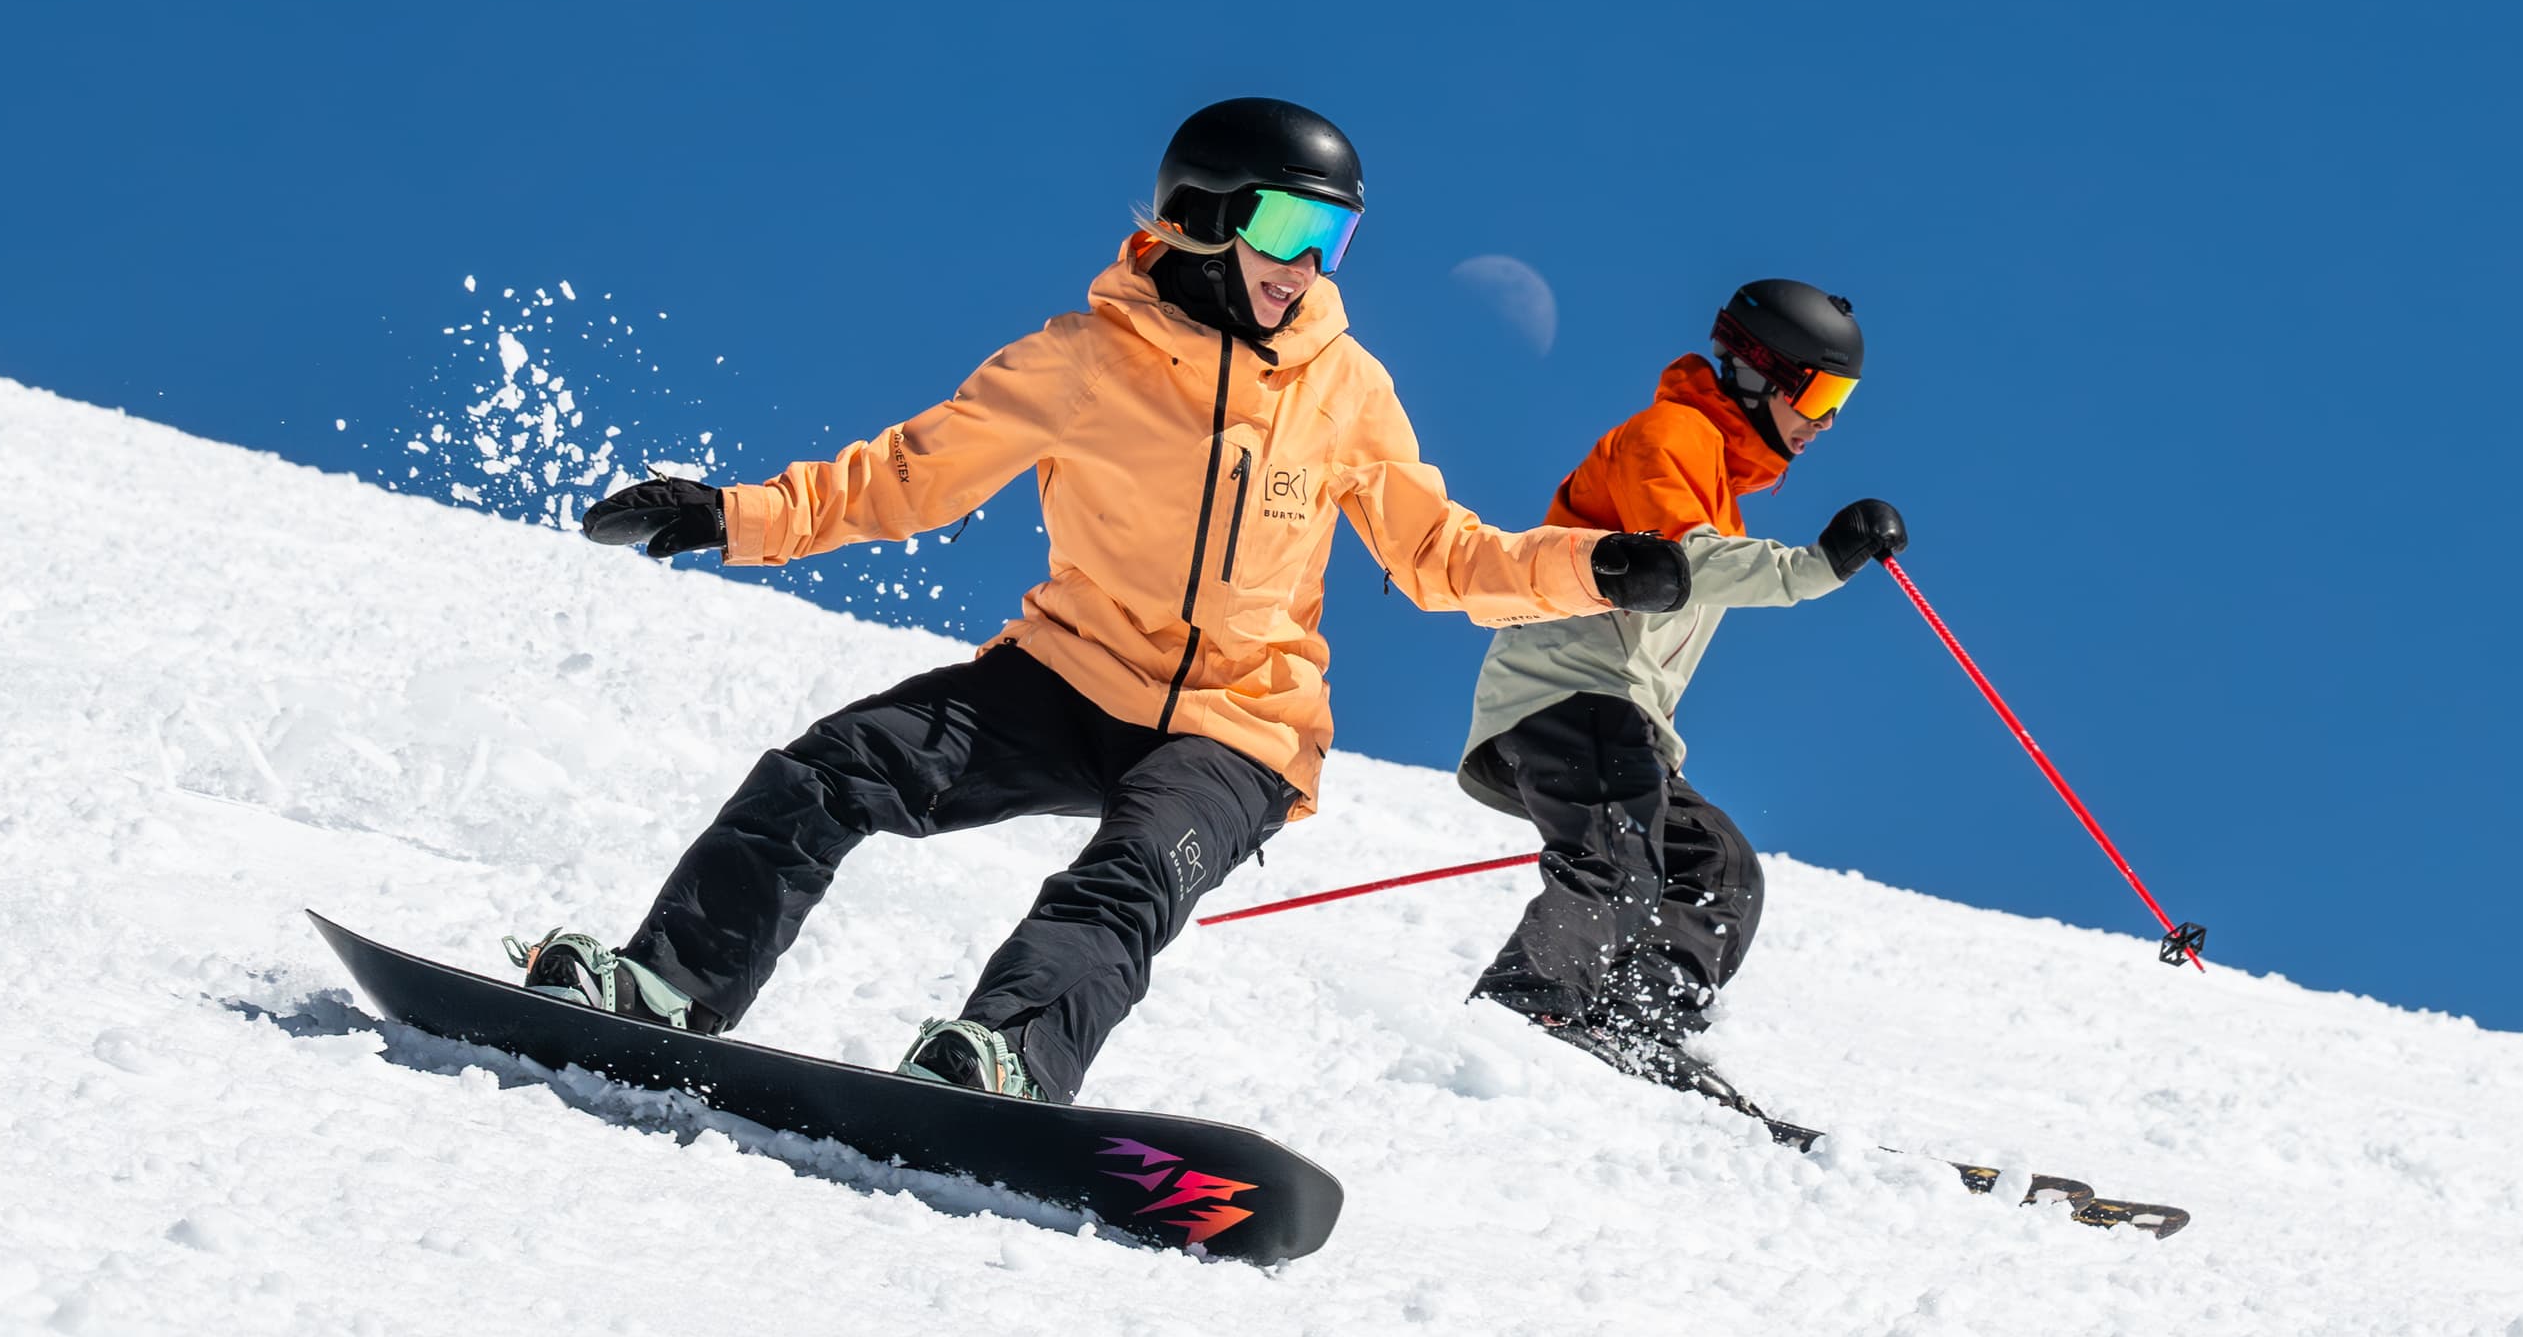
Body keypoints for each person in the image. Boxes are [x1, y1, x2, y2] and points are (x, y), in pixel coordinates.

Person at [520, 98, 1695, 1105]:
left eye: (1334, 235)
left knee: (1123, 880)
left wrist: (1589, 568)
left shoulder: (1348, 390)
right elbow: (905, 478)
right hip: (1068, 677)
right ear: (1202, 213)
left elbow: (1442, 553)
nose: (1307, 264)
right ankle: (668, 984)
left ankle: (1003, 1062)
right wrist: (733, 515)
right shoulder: (1084, 360)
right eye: (1288, 223)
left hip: (1242, 725)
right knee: (828, 770)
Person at [1457, 278, 1908, 1092]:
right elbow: (1680, 561)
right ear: (1765, 374)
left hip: (1621, 725)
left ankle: (1642, 1026)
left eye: (1844, 400)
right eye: (1822, 392)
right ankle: (1528, 1009)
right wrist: (1817, 567)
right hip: (1562, 697)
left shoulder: (1720, 486)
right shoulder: (1667, 437)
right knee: (1618, 853)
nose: (1826, 421)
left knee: (1722, 867)